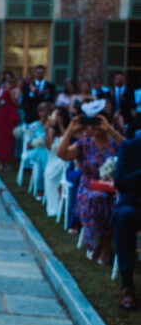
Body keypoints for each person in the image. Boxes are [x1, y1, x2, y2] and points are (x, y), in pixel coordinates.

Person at [57, 101, 125, 264]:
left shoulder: (115, 141)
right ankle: (105, 242)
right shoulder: (85, 144)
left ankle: (101, 242)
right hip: (88, 187)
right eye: (91, 122)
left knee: (103, 199)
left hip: (115, 190)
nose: (94, 127)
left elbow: (130, 150)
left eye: (98, 121)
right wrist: (70, 130)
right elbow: (62, 154)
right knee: (95, 198)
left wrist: (109, 129)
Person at [113, 135, 141, 310]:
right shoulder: (129, 147)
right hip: (134, 204)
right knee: (125, 217)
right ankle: (127, 286)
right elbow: (120, 182)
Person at [43, 107, 70, 216]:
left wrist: (60, 125)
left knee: (64, 165)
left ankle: (62, 205)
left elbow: (66, 143)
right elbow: (48, 147)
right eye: (54, 115)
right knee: (50, 173)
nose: (55, 117)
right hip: (53, 160)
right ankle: (53, 207)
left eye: (58, 115)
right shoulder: (50, 130)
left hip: (65, 160)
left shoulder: (68, 129)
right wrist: (46, 130)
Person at [25, 102, 53, 198]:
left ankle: (46, 188)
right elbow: (28, 145)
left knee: (44, 154)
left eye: (46, 111)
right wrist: (36, 143)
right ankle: (41, 189)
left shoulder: (52, 127)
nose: (44, 114)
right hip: (35, 152)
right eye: (41, 111)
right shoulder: (33, 126)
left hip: (50, 151)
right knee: (42, 154)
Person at [0, 72, 21, 170]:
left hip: (11, 114)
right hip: (2, 114)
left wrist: (10, 92)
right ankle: (1, 161)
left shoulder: (16, 90)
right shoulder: (0, 89)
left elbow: (16, 102)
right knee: (1, 138)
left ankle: (9, 161)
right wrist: (2, 92)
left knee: (10, 139)